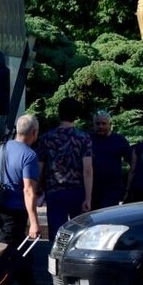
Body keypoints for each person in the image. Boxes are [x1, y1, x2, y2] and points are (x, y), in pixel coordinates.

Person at [0, 114, 55, 285]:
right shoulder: (29, 155)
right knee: (4, 258)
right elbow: (28, 190)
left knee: (21, 256)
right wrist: (34, 222)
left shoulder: (2, 148)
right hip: (15, 213)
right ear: (34, 132)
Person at [36, 97, 93, 241]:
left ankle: (58, 255)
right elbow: (87, 170)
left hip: (54, 192)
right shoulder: (84, 138)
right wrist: (88, 198)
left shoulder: (46, 138)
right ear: (76, 115)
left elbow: (40, 168)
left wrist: (38, 190)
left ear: (59, 113)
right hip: (77, 192)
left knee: (57, 235)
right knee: (79, 233)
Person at [89, 110, 132, 209]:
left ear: (110, 125)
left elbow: (132, 163)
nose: (100, 126)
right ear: (93, 125)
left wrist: (128, 188)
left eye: (103, 124)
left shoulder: (119, 140)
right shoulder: (88, 140)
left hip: (113, 190)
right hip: (92, 190)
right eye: (98, 123)